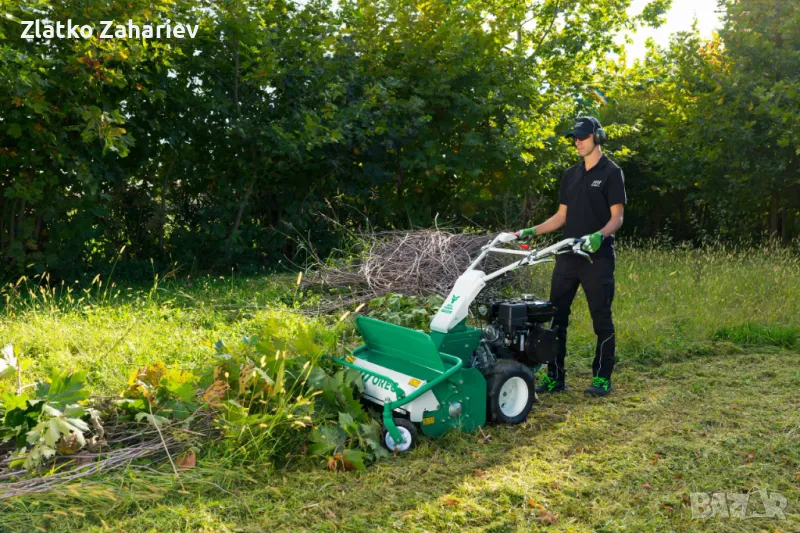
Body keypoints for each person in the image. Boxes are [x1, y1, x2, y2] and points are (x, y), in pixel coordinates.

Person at [516, 116, 626, 397]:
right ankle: (555, 377)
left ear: (597, 137)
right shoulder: (570, 175)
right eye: (574, 138)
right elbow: (561, 217)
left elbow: (618, 218)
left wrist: (600, 235)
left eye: (582, 137)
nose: (577, 142)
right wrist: (533, 230)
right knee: (556, 318)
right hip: (567, 256)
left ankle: (602, 377)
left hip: (596, 259)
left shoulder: (611, 172)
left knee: (601, 319)